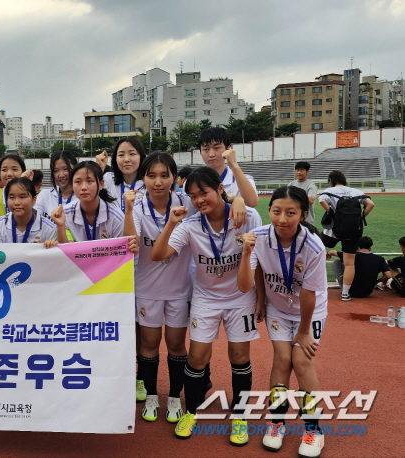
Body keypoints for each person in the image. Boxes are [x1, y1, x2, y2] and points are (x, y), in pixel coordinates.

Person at [150, 166, 262, 445]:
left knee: (239, 357)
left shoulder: (247, 216)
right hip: (205, 298)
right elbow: (158, 255)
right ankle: (191, 412)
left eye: (205, 193)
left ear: (221, 190)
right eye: (193, 195)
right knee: (196, 358)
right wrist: (172, 223)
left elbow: (262, 256)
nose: (199, 200)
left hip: (240, 297)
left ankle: (239, 416)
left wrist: (261, 298)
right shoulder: (189, 226)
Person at [237, 186, 327, 458]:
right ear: (269, 211)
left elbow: (309, 294)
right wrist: (246, 257)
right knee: (281, 361)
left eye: (291, 212)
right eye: (276, 211)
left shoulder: (313, 246)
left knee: (301, 361)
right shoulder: (259, 237)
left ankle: (314, 429)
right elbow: (245, 284)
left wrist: (303, 333)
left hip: (309, 311)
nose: (282, 219)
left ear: (302, 214)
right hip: (278, 308)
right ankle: (276, 422)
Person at [122, 153, 196, 424]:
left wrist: (234, 200)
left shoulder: (188, 203)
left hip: (180, 288)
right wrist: (128, 210)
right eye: (151, 175)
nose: (158, 182)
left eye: (165, 175)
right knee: (150, 344)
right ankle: (152, 395)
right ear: (143, 178)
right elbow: (129, 241)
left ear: (175, 178)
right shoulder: (139, 207)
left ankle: (175, 397)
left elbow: (215, 206)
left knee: (176, 344)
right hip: (147, 287)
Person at [318, 170, 375, 301]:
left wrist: (332, 213)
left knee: (315, 249)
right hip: (353, 230)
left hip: (333, 230)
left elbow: (321, 200)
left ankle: (316, 286)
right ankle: (345, 293)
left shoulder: (329, 191)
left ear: (331, 181)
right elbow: (371, 204)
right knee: (350, 263)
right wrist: (361, 217)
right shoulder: (356, 192)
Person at [0, 177, 57, 244]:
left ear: (34, 200)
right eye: (12, 197)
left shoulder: (49, 228)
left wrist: (51, 246)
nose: (16, 202)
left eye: (22, 197)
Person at [197, 127, 258, 208]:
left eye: (216, 148)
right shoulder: (193, 182)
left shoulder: (244, 179)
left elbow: (251, 202)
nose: (211, 154)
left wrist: (234, 165)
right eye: (206, 149)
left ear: (228, 148)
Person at [95, 136, 146, 212]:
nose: (126, 159)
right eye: (121, 155)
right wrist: (99, 169)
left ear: (141, 157)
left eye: (132, 154)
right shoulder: (108, 180)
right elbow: (93, 197)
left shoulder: (148, 183)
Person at [33, 150, 79, 221]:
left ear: (76, 168)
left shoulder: (82, 197)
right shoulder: (45, 195)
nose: (61, 175)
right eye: (56, 170)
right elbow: (32, 219)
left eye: (65, 169)